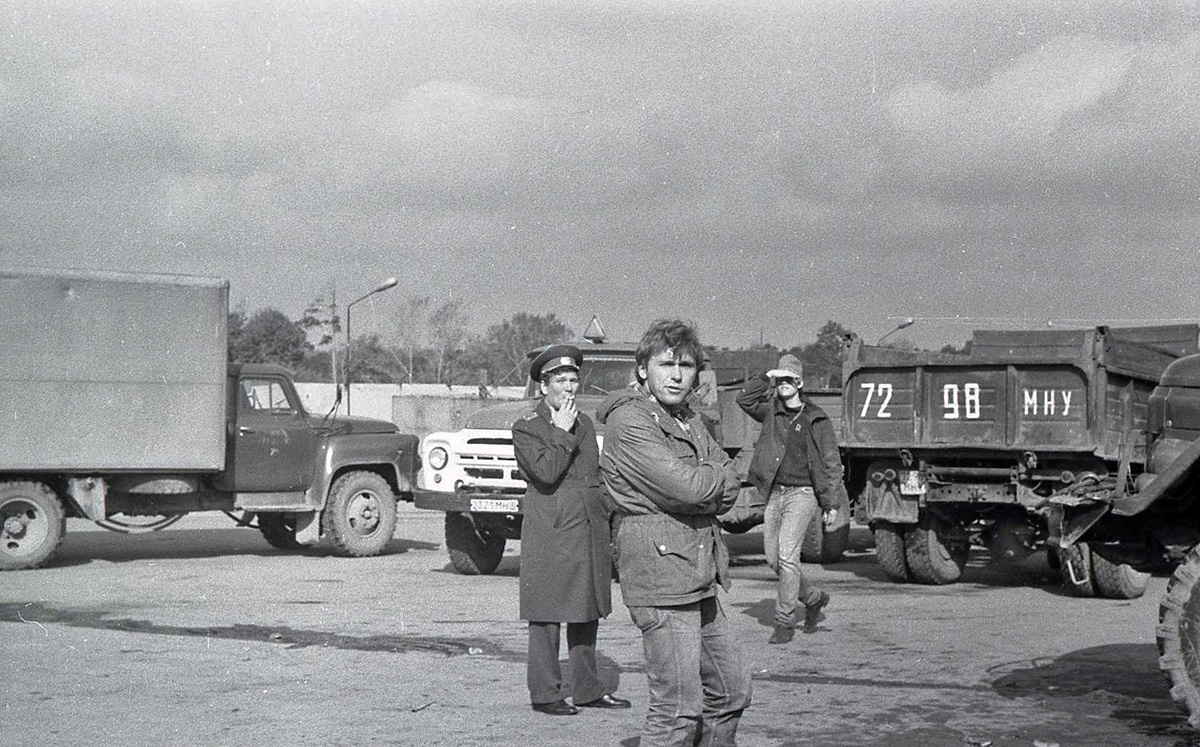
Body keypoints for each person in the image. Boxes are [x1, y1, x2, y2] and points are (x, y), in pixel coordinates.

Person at [598, 320, 750, 747]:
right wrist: (708, 481)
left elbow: (728, 478)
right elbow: (691, 487)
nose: (677, 374)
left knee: (733, 690)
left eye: (686, 365)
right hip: (661, 575)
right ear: (643, 369)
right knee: (677, 712)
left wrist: (706, 483)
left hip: (698, 573)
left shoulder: (686, 419)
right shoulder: (631, 421)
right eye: (666, 364)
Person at [511, 344, 631, 717]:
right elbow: (545, 473)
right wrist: (561, 432)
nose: (568, 387)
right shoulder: (527, 428)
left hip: (587, 527)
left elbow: (593, 476)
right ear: (543, 386)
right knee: (546, 613)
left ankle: (588, 690)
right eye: (560, 380)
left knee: (586, 609)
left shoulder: (587, 423)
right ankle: (546, 694)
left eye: (573, 379)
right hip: (552, 530)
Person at [736, 353, 848, 644]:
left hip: (803, 494)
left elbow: (832, 462)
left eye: (789, 379)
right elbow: (744, 400)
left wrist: (831, 503)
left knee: (787, 556)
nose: (783, 384)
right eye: (780, 380)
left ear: (799, 383)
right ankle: (813, 598)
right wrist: (766, 375)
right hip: (776, 492)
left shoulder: (816, 417)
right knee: (774, 560)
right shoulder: (771, 411)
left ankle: (783, 623)